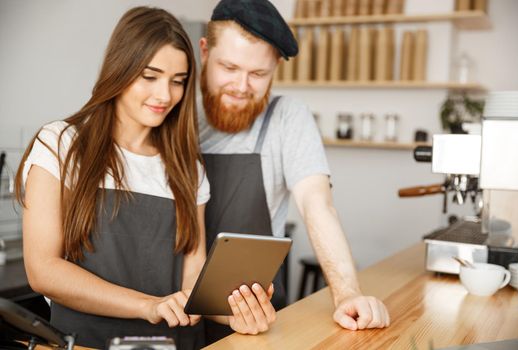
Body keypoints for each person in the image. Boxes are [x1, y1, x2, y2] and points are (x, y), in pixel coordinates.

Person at [15, 6, 276, 349]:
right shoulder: (60, 144)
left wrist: (236, 311)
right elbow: (43, 270)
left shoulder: (186, 167)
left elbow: (192, 278)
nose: (164, 95)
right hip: (85, 343)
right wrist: (147, 306)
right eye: (149, 77)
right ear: (120, 70)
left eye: (177, 81)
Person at [198, 0, 391, 344]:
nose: (242, 86)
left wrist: (347, 293)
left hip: (255, 320)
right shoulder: (172, 113)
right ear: (204, 51)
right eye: (229, 67)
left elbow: (317, 204)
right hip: (171, 313)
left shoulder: (287, 118)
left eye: (258, 74)